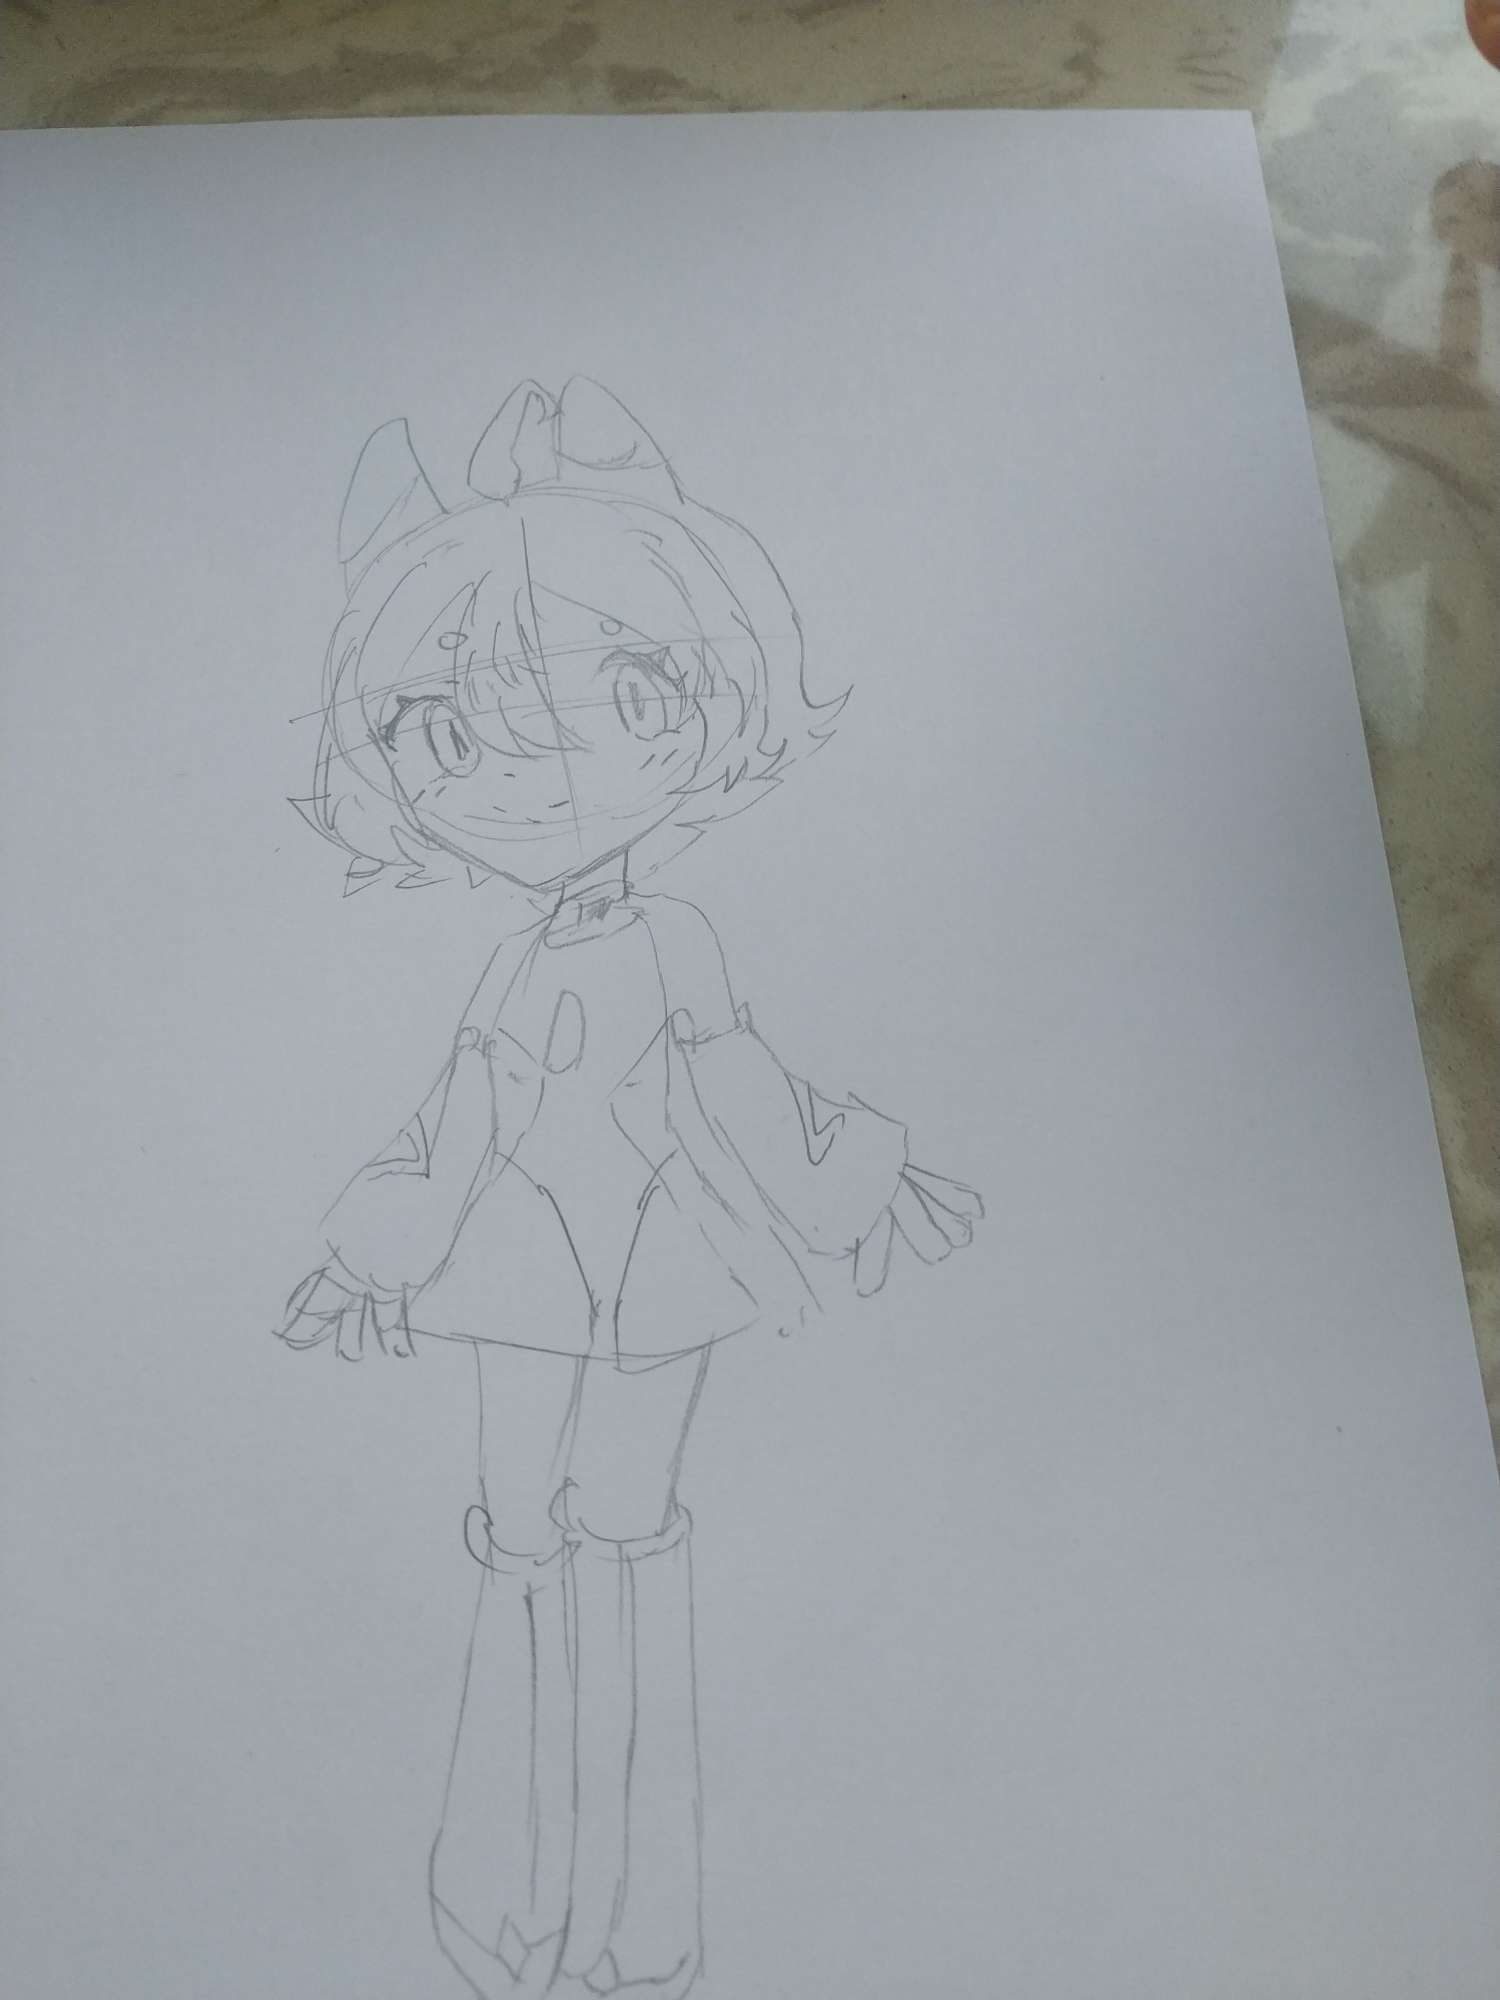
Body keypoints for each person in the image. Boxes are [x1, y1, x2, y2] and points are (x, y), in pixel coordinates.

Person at [278, 378, 981, 1999]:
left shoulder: (676, 941)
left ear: (700, 701)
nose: (536, 776)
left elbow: (738, 1081)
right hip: (520, 1271)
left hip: (663, 1264)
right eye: (447, 737)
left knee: (628, 1529)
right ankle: (513, 1891)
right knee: (522, 1532)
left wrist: (851, 1177)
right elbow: (462, 1122)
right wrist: (376, 1252)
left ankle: (636, 1913)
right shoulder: (514, 968)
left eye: (632, 692)